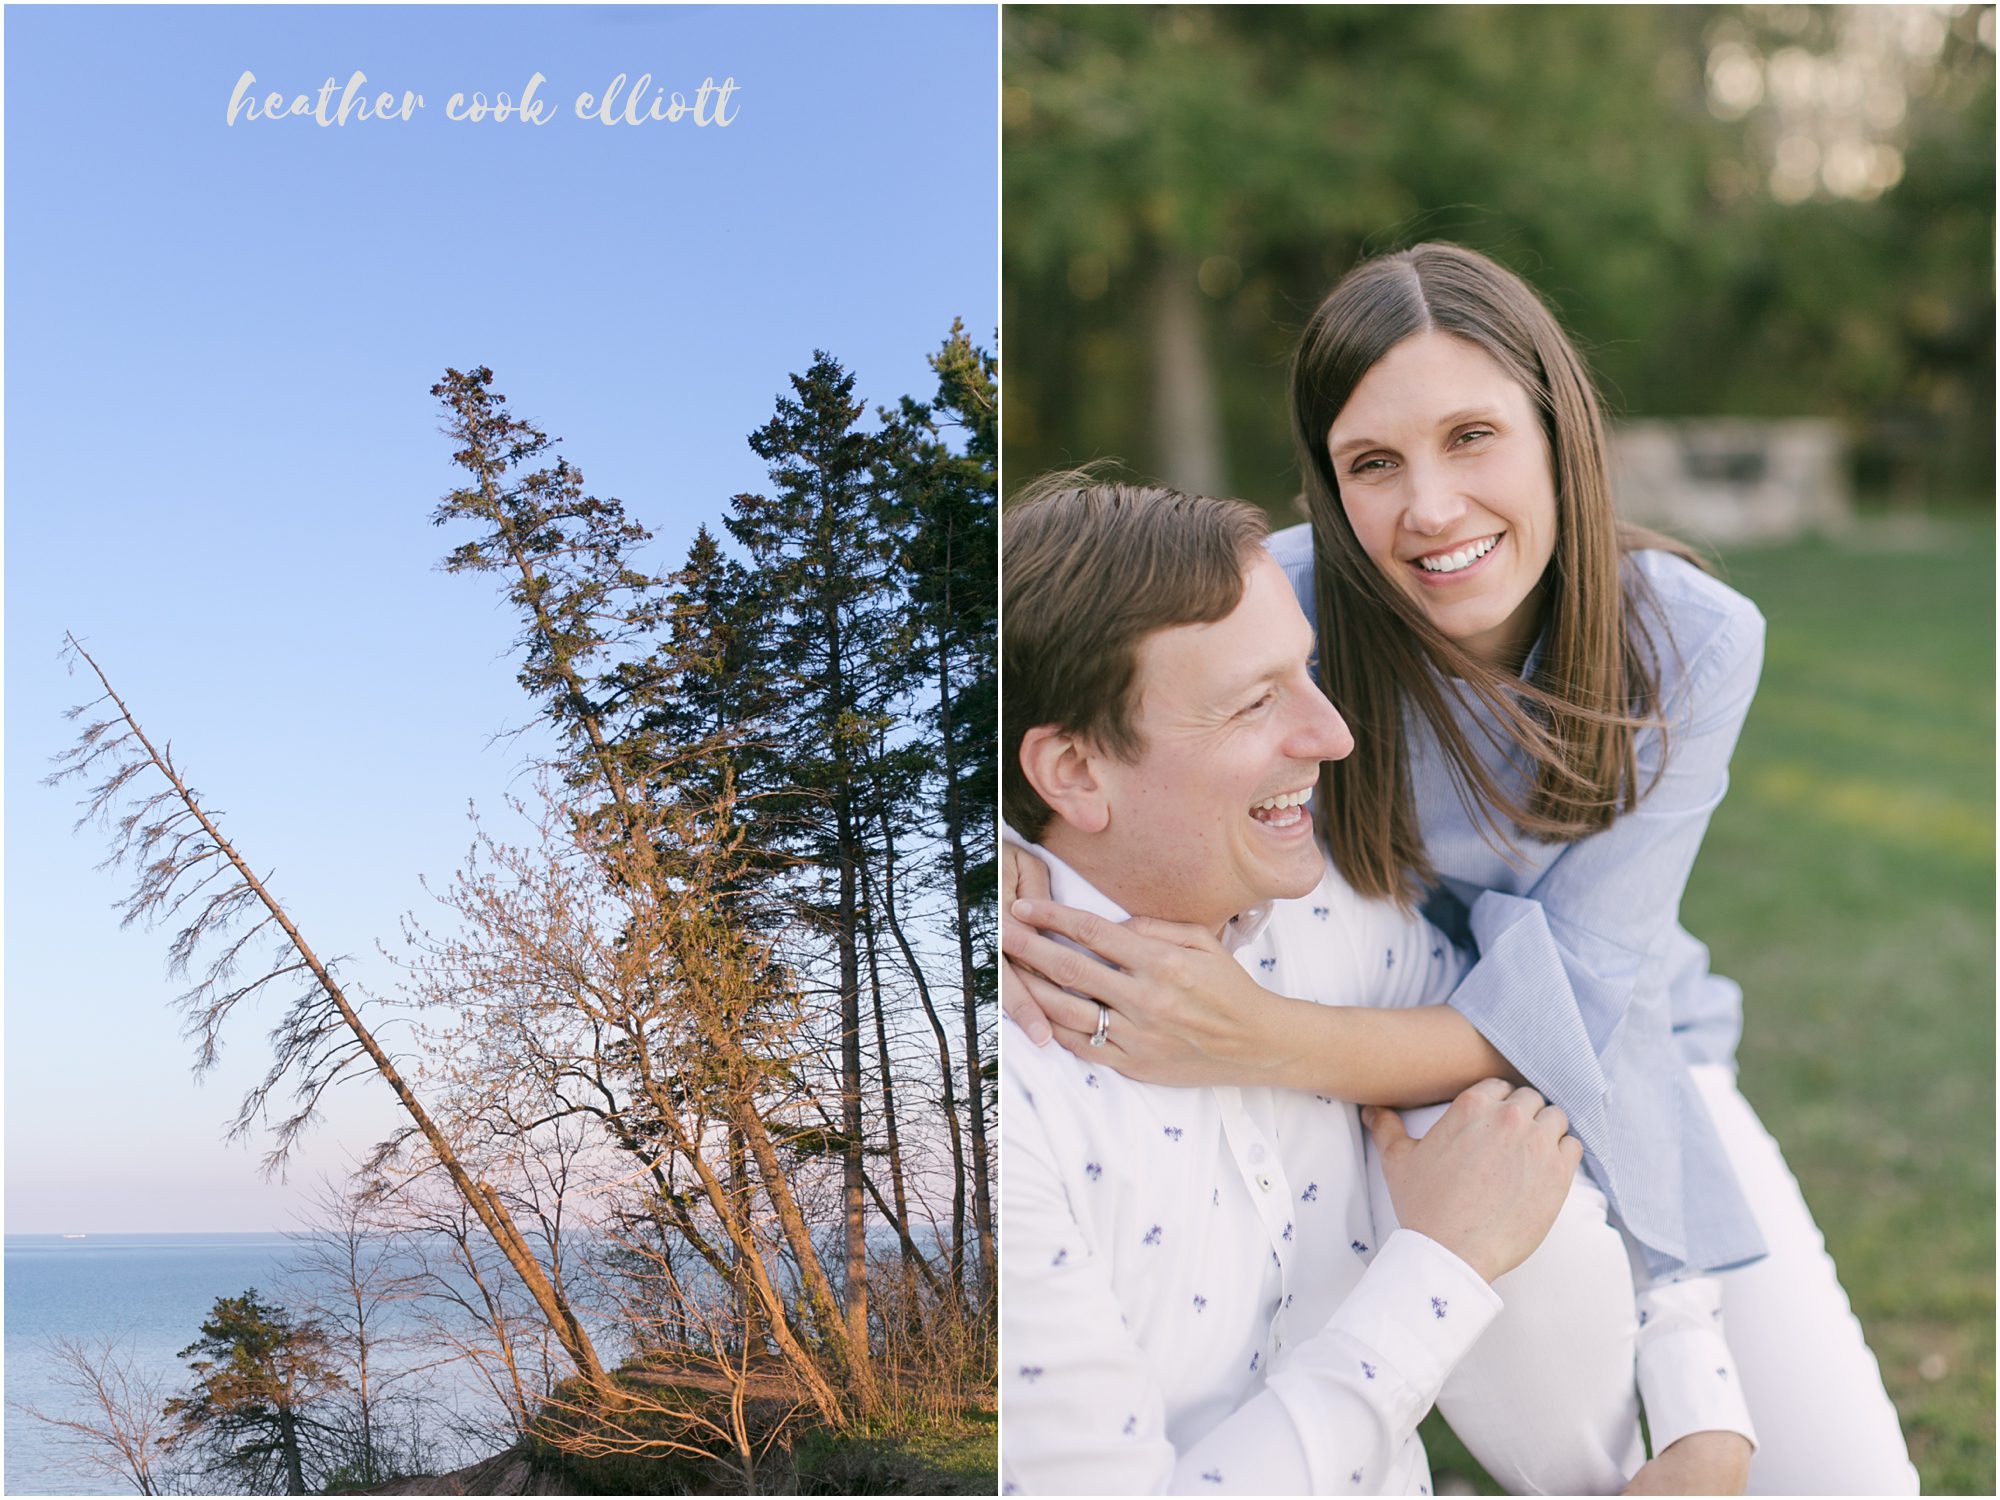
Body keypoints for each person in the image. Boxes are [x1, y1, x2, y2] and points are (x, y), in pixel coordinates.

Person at [1002, 244, 1917, 1494]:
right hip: (1392, 1040)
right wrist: (994, 856)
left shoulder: (1687, 640)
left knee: (1844, 1476)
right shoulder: (1284, 609)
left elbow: (1584, 1007)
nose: (1427, 508)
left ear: (1556, 433)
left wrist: (1251, 1036)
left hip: (1634, 1052)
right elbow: (1069, 697)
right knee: (1474, 1182)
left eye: (1471, 436)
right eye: (1372, 463)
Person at [1000, 479, 1753, 1497]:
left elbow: (1581, 1047)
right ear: (1075, 772)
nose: (1335, 736)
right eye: (1254, 702)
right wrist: (1441, 1268)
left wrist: (1701, 1405)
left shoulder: (1329, 917)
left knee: (1497, 1131)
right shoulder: (1013, 1106)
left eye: (1306, 674)